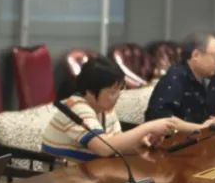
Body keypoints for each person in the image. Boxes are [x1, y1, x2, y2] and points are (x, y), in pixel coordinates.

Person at [42, 57, 179, 161]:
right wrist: (148, 127)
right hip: (62, 178)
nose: (118, 96)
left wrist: (144, 141)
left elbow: (116, 145)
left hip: (92, 173)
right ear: (90, 91)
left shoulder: (105, 108)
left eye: (120, 89)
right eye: (112, 91)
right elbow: (104, 148)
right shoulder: (76, 108)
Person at [144, 32, 215, 131]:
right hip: (174, 138)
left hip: (204, 136)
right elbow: (162, 119)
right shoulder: (174, 78)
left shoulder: (213, 74)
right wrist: (202, 128)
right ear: (196, 55)